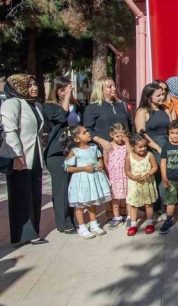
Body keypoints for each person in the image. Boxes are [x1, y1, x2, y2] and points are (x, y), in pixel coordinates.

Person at [0, 74, 46, 245]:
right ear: (18, 87)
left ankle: (34, 229)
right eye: (29, 85)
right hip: (20, 157)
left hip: (35, 156)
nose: (34, 88)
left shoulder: (36, 105)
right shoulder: (11, 103)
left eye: (35, 84)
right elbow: (9, 130)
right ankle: (25, 234)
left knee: (34, 194)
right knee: (20, 196)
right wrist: (17, 155)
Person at [62, 126, 112, 239]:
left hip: (93, 179)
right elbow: (68, 168)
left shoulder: (94, 147)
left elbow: (99, 158)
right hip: (81, 181)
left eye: (87, 131)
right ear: (76, 139)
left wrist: (100, 163)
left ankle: (94, 224)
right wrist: (83, 168)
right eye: (84, 133)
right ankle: (82, 227)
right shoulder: (74, 151)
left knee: (91, 202)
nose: (88, 134)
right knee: (80, 205)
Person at [43, 76, 79, 234]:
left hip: (73, 150)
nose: (68, 91)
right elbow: (60, 117)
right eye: (64, 89)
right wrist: (65, 99)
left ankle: (72, 218)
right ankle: (63, 223)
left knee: (72, 188)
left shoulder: (75, 105)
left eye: (69, 88)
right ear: (57, 91)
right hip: (57, 153)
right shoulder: (50, 106)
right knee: (61, 189)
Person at [135, 82, 174, 212]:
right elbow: (142, 133)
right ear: (149, 96)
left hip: (166, 144)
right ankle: (156, 208)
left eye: (163, 94)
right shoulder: (142, 112)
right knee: (157, 176)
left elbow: (171, 129)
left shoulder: (165, 109)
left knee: (168, 175)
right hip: (152, 146)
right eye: (158, 95)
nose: (162, 97)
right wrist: (157, 148)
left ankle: (166, 206)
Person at [84, 77, 131, 154]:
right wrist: (101, 141)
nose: (114, 88)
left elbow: (131, 125)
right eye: (109, 87)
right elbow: (88, 129)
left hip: (125, 148)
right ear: (101, 89)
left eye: (114, 86)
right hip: (105, 149)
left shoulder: (122, 105)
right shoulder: (92, 108)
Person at [125, 133, 159, 235]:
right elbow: (127, 171)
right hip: (135, 185)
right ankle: (133, 224)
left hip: (147, 183)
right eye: (140, 147)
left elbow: (155, 167)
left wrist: (149, 173)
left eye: (144, 146)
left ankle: (149, 223)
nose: (143, 149)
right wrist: (133, 177)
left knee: (148, 204)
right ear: (132, 147)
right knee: (134, 205)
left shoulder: (149, 155)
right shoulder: (129, 157)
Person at [158, 120, 178, 235]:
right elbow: (163, 163)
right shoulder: (166, 146)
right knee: (170, 201)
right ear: (168, 133)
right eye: (172, 133)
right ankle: (169, 220)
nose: (175, 135)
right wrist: (164, 178)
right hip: (170, 179)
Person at [104, 123, 129, 230]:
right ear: (111, 135)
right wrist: (109, 173)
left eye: (122, 136)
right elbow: (106, 161)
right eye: (117, 136)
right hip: (114, 176)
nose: (120, 139)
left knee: (127, 195)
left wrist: (127, 142)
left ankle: (128, 215)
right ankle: (117, 216)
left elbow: (130, 154)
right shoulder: (108, 147)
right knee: (115, 197)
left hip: (125, 174)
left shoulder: (126, 145)